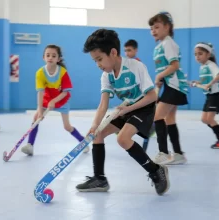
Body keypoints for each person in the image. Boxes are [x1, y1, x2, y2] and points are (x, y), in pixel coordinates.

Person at [75, 29, 170, 196]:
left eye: (99, 59)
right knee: (98, 134)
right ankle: (100, 179)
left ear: (113, 52)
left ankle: (156, 171)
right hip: (125, 108)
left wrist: (127, 109)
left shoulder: (135, 67)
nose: (98, 64)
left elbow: (152, 96)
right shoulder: (106, 75)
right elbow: (103, 103)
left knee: (123, 138)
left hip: (144, 107)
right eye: (94, 61)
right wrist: (94, 125)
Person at [21, 44, 87, 156]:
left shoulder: (62, 72)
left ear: (58, 59)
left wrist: (54, 101)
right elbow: (40, 92)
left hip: (62, 100)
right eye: (48, 55)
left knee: (67, 127)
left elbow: (66, 91)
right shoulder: (40, 73)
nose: (50, 57)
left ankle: (83, 142)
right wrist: (40, 110)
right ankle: (30, 145)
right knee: (36, 118)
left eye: (53, 55)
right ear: (43, 57)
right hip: (47, 100)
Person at [149, 11, 188, 165]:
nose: (153, 31)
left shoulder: (169, 43)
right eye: (151, 28)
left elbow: (174, 65)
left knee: (157, 117)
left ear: (167, 27)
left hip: (174, 85)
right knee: (169, 119)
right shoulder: (160, 46)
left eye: (157, 27)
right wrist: (160, 79)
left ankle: (163, 153)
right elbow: (165, 68)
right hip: (168, 85)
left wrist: (159, 77)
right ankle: (178, 154)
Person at [192, 42, 219, 149]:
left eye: (200, 54)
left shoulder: (211, 64)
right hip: (209, 96)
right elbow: (205, 80)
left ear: (208, 55)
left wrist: (210, 84)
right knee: (204, 119)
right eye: (195, 54)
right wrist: (198, 82)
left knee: (210, 119)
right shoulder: (203, 67)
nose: (197, 56)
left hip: (216, 95)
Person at [123, 39, 156, 150]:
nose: (127, 53)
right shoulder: (126, 65)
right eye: (125, 51)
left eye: (129, 50)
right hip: (132, 99)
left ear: (135, 50)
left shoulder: (138, 65)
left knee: (140, 124)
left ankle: (149, 130)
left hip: (142, 99)